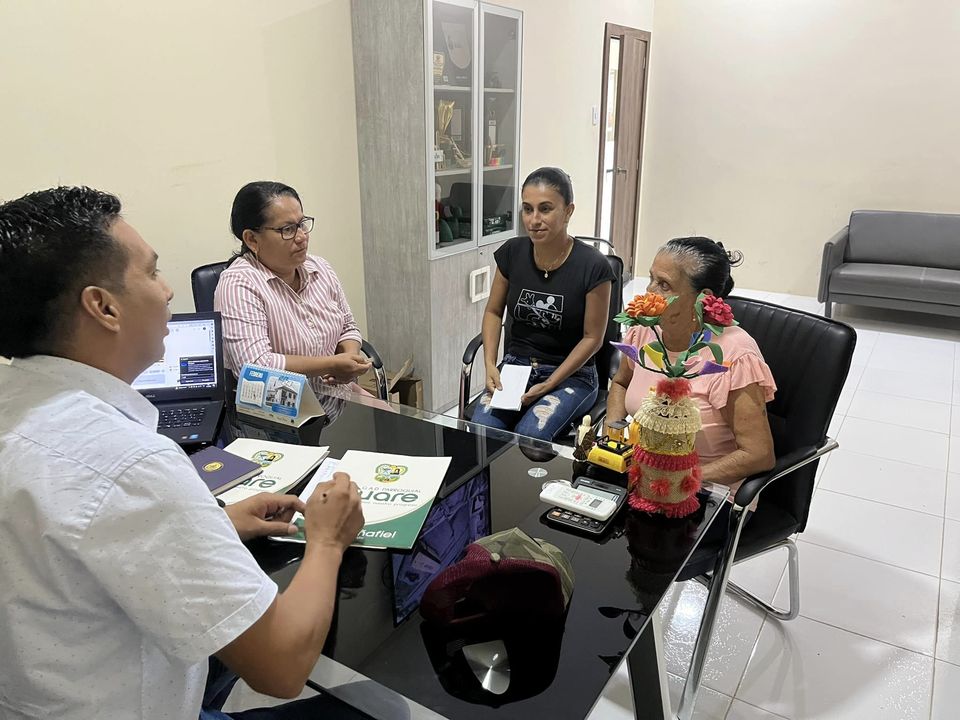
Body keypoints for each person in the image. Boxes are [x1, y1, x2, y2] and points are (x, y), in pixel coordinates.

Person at [0, 186, 367, 720]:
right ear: (103, 307)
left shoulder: (17, 406)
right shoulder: (132, 464)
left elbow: (84, 547)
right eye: (152, 272)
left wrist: (216, 522)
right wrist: (329, 541)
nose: (169, 290)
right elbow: (282, 667)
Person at [606, 237, 776, 498]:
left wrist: (681, 478)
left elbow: (759, 455)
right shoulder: (645, 331)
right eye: (651, 279)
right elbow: (620, 383)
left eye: (664, 285)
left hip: (705, 491)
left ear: (703, 298)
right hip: (642, 475)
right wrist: (613, 433)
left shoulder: (735, 355)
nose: (649, 292)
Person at [472, 167, 614, 441]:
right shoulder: (512, 253)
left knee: (530, 438)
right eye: (528, 209)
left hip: (573, 374)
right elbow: (493, 311)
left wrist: (550, 383)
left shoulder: (593, 266)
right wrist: (490, 364)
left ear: (568, 211)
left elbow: (593, 338)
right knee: (482, 433)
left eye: (545, 209)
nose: (534, 220)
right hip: (517, 367)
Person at [215, 181, 371, 397]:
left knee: (401, 418)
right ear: (251, 239)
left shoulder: (320, 268)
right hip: (284, 410)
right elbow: (256, 366)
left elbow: (348, 327)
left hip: (338, 395)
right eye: (287, 229)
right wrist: (331, 364)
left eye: (302, 224)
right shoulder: (238, 284)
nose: (301, 237)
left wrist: (348, 360)